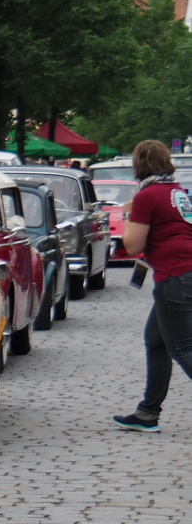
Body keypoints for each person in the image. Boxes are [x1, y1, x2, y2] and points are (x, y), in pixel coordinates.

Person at [113, 140, 192, 433]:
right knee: (156, 342)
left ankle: (148, 413)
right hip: (186, 269)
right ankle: (147, 413)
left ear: (139, 165)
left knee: (183, 349)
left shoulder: (147, 196)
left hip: (174, 275)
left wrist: (126, 215)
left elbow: (133, 245)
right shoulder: (177, 192)